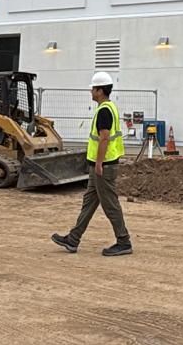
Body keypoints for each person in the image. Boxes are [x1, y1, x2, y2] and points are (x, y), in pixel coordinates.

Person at [51, 72, 132, 256]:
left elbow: (104, 139)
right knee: (89, 203)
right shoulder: (109, 107)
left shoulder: (104, 111)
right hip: (103, 164)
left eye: (93, 89)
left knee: (110, 204)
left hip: (104, 165)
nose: (91, 91)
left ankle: (124, 241)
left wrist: (99, 164)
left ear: (100, 90)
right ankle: (73, 239)